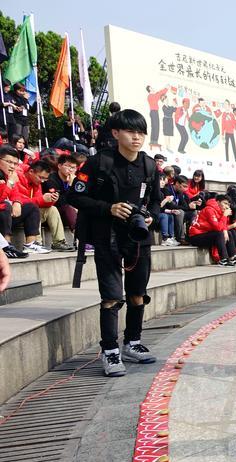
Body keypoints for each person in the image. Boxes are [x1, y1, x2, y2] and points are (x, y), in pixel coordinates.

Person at [68, 109, 162, 377]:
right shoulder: (99, 163)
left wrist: (151, 218)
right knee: (111, 297)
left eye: (141, 132)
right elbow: (75, 197)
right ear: (115, 133)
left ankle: (132, 343)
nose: (136, 137)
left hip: (138, 238)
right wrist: (108, 208)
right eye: (131, 131)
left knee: (137, 293)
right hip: (106, 237)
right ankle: (110, 351)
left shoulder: (149, 165)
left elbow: (155, 200)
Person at [12, 160, 74, 252]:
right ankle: (37, 243)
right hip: (17, 212)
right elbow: (17, 200)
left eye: (45, 179)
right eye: (40, 177)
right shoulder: (16, 178)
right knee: (34, 209)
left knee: (52, 209)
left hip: (30, 213)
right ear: (31, 172)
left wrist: (50, 200)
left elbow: (39, 202)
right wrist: (42, 199)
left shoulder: (37, 184)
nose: (42, 181)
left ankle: (59, 242)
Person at [0, 145, 39, 256]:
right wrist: (10, 183)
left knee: (31, 207)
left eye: (15, 163)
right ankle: (6, 246)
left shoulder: (9, 175)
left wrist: (17, 202)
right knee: (5, 205)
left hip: (6, 217)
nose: (12, 166)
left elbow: (15, 193)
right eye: (9, 162)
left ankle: (30, 244)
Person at [187, 193, 236, 266]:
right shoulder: (209, 210)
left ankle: (233, 257)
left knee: (229, 233)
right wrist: (224, 216)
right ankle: (223, 259)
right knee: (219, 233)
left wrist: (225, 230)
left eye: (228, 204)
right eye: (225, 203)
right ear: (218, 202)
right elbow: (217, 228)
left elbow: (222, 226)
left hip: (206, 234)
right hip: (196, 236)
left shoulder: (220, 211)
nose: (227, 206)